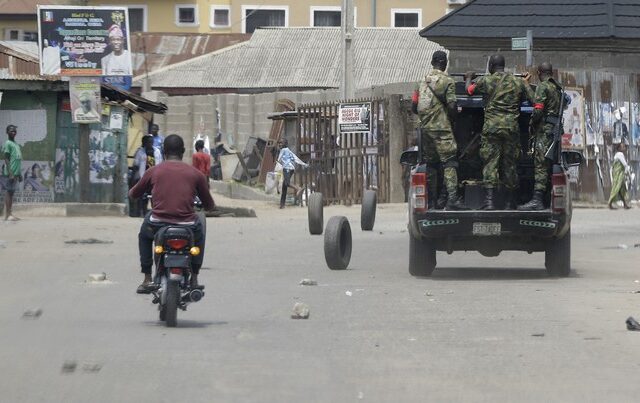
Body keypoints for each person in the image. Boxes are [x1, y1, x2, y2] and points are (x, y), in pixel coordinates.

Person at [129, 134, 215, 292]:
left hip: (157, 222)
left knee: (144, 235)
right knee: (200, 236)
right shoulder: (196, 174)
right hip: (188, 224)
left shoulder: (153, 171)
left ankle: (147, 277)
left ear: (163, 150)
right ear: (183, 151)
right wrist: (207, 206)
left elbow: (133, 194)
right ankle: (194, 277)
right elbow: (209, 204)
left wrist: (138, 195)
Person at [465, 54, 534, 210]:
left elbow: (469, 90)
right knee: (510, 164)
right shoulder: (517, 82)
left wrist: (469, 77)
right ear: (504, 66)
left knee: (491, 162)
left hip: (492, 129)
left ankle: (490, 202)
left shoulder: (486, 80)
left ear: (491, 66)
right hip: (511, 129)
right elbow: (534, 100)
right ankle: (510, 202)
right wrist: (525, 83)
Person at [411, 50, 466, 210]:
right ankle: (453, 199)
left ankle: (433, 202)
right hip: (442, 129)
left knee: (431, 164)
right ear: (445, 63)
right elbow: (452, 106)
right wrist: (454, 116)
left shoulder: (421, 81)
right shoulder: (447, 81)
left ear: (432, 62)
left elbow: (414, 107)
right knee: (449, 161)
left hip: (426, 129)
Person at [518, 62, 564, 210]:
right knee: (545, 164)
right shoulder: (557, 88)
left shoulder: (544, 87)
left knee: (540, 165)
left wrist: (525, 85)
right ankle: (541, 198)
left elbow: (537, 108)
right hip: (552, 131)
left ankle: (537, 200)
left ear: (539, 73)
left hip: (544, 131)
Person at [131, 135, 161, 215]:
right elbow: (136, 165)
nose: (150, 143)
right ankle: (142, 212)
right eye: (148, 142)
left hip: (154, 178)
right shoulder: (140, 152)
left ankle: (154, 213)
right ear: (144, 143)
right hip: (143, 178)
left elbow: (161, 164)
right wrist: (134, 178)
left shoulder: (157, 152)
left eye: (151, 141)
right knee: (143, 197)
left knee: (154, 196)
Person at [277, 138, 308, 209]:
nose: (280, 144)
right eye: (279, 143)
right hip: (291, 169)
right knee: (284, 186)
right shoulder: (288, 151)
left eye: (281, 143)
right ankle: (282, 205)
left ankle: (298, 188)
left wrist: (277, 168)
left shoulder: (283, 150)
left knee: (287, 183)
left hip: (287, 169)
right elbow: (296, 159)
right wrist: (303, 164)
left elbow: (278, 160)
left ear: (285, 144)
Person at [2, 125, 22, 221]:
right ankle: (7, 214)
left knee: (11, 193)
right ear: (7, 132)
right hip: (10, 172)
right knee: (9, 192)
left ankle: (10, 213)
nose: (13, 132)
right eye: (11, 131)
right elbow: (6, 158)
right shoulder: (8, 143)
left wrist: (19, 174)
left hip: (15, 173)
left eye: (14, 131)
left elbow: (17, 159)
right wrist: (10, 173)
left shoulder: (16, 144)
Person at [608, 142, 632, 209]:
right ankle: (610, 203)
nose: (624, 148)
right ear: (619, 148)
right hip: (619, 175)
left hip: (618, 174)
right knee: (616, 188)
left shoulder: (617, 154)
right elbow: (624, 164)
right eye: (623, 146)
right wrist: (628, 173)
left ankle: (624, 204)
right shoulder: (620, 154)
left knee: (621, 189)